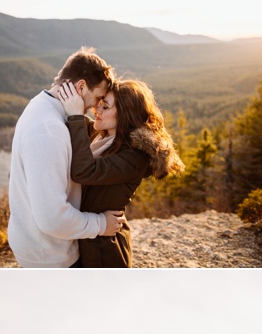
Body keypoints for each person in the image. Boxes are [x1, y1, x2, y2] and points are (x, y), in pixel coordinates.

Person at [7, 47, 126, 267]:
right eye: (97, 97)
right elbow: (52, 218)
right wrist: (101, 224)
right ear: (80, 87)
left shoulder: (42, 106)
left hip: (40, 246)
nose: (95, 108)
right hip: (50, 256)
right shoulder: (48, 130)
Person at [53, 77, 184, 266]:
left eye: (105, 107)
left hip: (103, 251)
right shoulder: (101, 135)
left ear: (124, 115)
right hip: (86, 237)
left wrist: (75, 116)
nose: (96, 110)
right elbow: (76, 131)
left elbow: (84, 171)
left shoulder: (134, 157)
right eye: (99, 104)